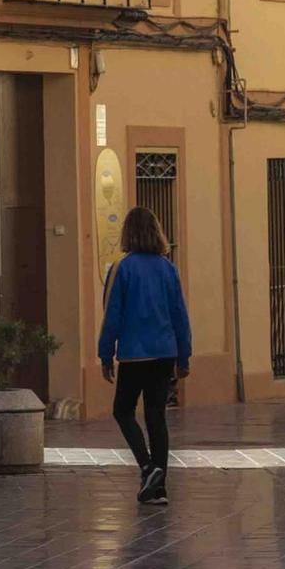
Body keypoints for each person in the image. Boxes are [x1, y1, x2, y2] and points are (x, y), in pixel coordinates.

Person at [97, 206, 192, 506]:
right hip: (164, 353)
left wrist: (105, 353)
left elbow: (112, 313)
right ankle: (159, 489)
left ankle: (148, 467)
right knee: (156, 417)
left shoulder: (121, 269)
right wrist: (184, 356)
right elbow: (180, 315)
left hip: (135, 355)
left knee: (123, 410)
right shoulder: (168, 269)